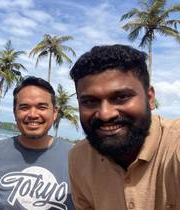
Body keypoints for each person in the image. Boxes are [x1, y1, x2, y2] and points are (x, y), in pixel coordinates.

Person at [68, 44, 180, 210]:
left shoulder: (174, 146)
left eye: (121, 97)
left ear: (150, 98)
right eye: (90, 101)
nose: (105, 114)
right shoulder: (79, 158)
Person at [0, 76, 75, 210]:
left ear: (54, 112)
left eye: (42, 107)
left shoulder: (76, 157)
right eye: (24, 107)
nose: (33, 114)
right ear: (15, 112)